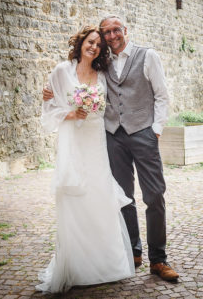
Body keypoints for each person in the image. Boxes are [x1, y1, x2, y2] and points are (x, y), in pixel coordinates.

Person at [43, 15, 179, 283]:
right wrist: (48, 92)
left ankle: (159, 259)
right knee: (122, 196)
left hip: (143, 133)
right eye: (106, 32)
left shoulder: (147, 56)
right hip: (112, 137)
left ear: (125, 30)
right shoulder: (101, 64)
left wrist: (156, 130)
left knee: (154, 195)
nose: (112, 35)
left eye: (116, 30)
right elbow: (70, 80)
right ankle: (133, 251)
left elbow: (162, 95)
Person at [37, 25, 135, 293]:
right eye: (90, 42)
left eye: (99, 45)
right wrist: (69, 113)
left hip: (95, 139)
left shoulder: (101, 74)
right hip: (73, 139)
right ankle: (78, 265)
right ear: (81, 42)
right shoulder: (62, 70)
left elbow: (110, 104)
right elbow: (48, 107)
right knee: (75, 194)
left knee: (99, 194)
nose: (94, 47)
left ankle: (107, 264)